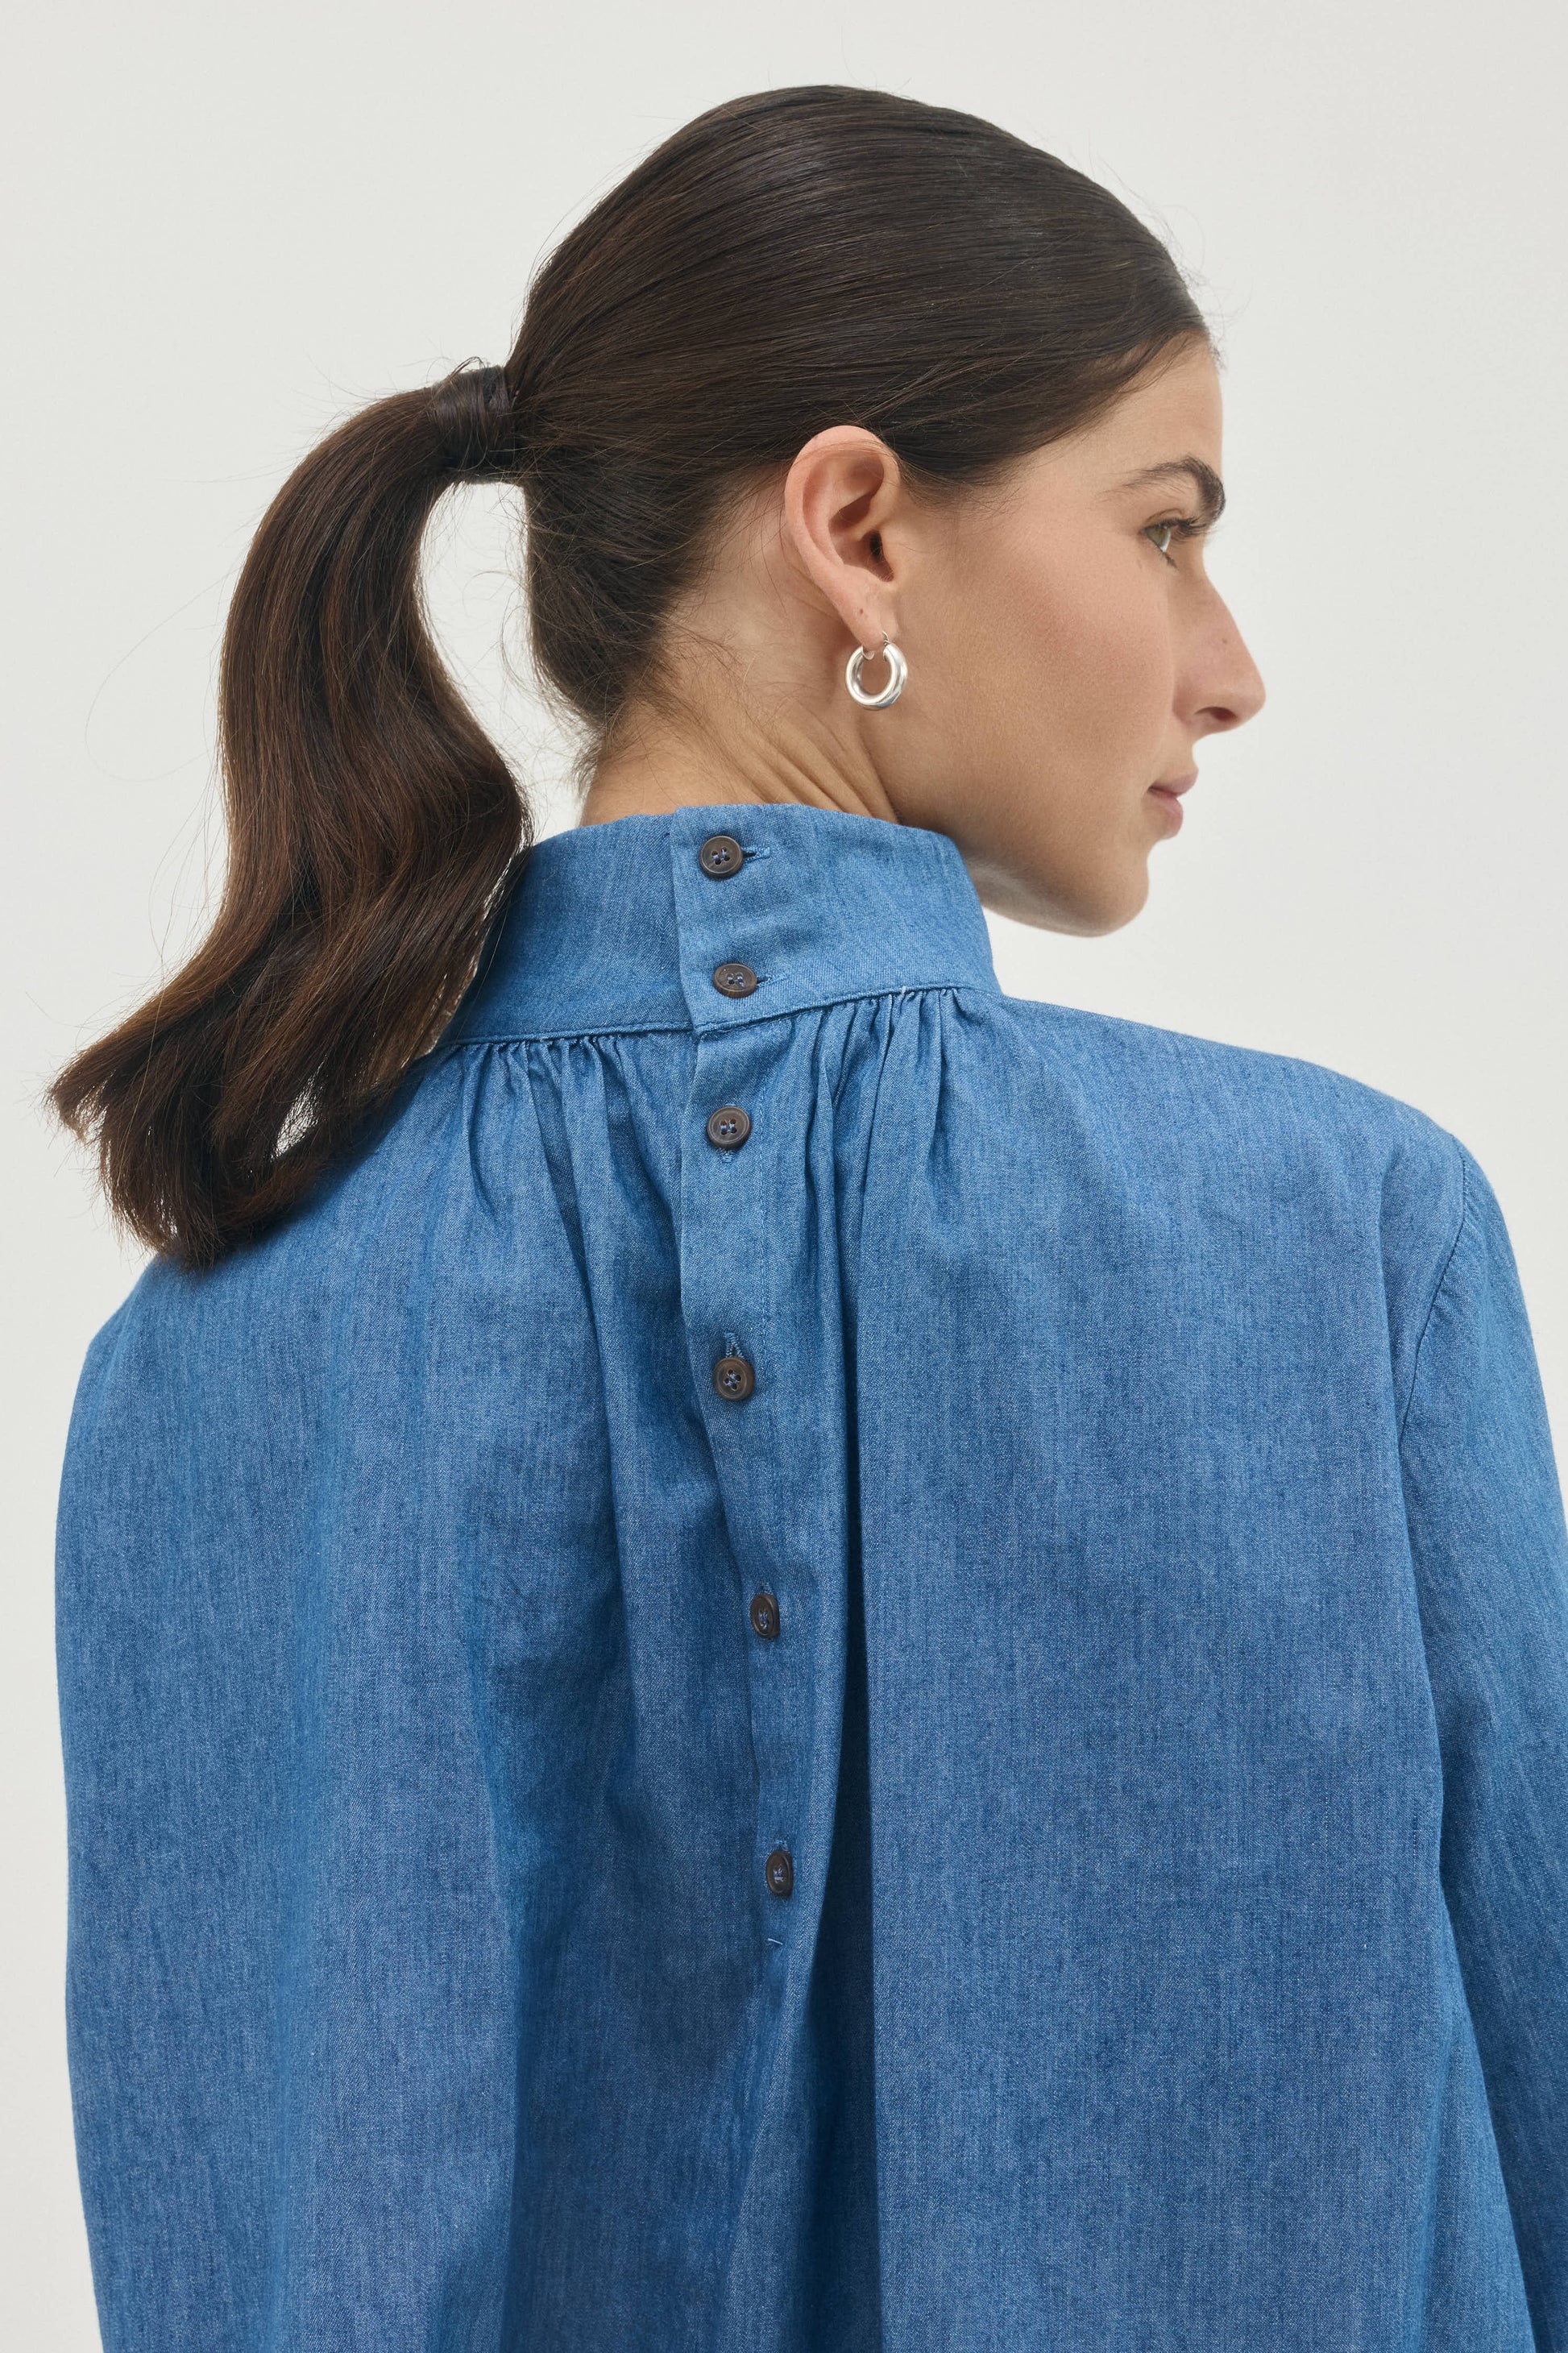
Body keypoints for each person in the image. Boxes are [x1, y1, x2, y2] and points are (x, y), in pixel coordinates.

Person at [49, 81, 1568, 2353]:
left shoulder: (202, 1355)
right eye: (1164, 528)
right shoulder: (1342, 1244)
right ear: (856, 527)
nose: (1228, 664)